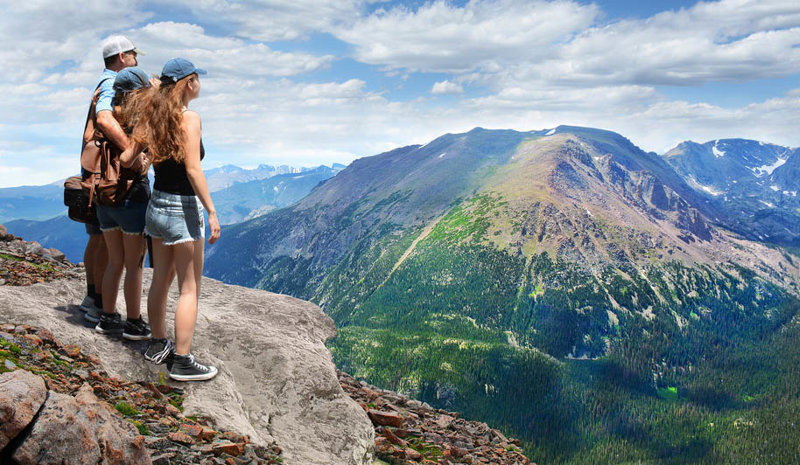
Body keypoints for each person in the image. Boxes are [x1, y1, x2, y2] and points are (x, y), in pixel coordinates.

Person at [120, 58, 221, 381]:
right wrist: (212, 211)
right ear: (188, 83)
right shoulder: (189, 119)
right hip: (183, 209)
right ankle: (182, 360)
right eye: (197, 79)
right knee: (189, 288)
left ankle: (157, 343)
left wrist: (148, 157)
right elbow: (193, 169)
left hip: (157, 205)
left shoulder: (150, 116)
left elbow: (125, 158)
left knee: (160, 279)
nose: (199, 85)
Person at [80, 35, 142, 324]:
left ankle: (93, 299)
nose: (136, 59)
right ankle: (101, 305)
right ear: (120, 57)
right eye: (132, 54)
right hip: (110, 177)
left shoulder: (101, 82)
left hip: (94, 173)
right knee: (109, 245)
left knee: (98, 238)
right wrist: (131, 148)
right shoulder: (111, 84)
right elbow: (105, 118)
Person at [94, 67, 153, 340]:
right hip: (132, 197)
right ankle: (133, 322)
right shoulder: (138, 120)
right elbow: (140, 163)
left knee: (114, 261)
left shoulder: (106, 119)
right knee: (134, 265)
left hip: (104, 196)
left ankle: (107, 317)